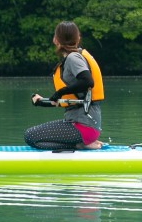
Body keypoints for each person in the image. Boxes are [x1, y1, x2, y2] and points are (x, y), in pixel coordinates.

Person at [26, 21, 104, 150]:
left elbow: (87, 81)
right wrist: (41, 101)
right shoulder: (75, 57)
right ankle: (82, 143)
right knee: (33, 136)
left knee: (30, 136)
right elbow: (72, 99)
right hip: (85, 126)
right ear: (78, 38)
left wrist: (61, 91)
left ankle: (81, 145)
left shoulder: (73, 58)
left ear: (55, 40)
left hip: (83, 126)